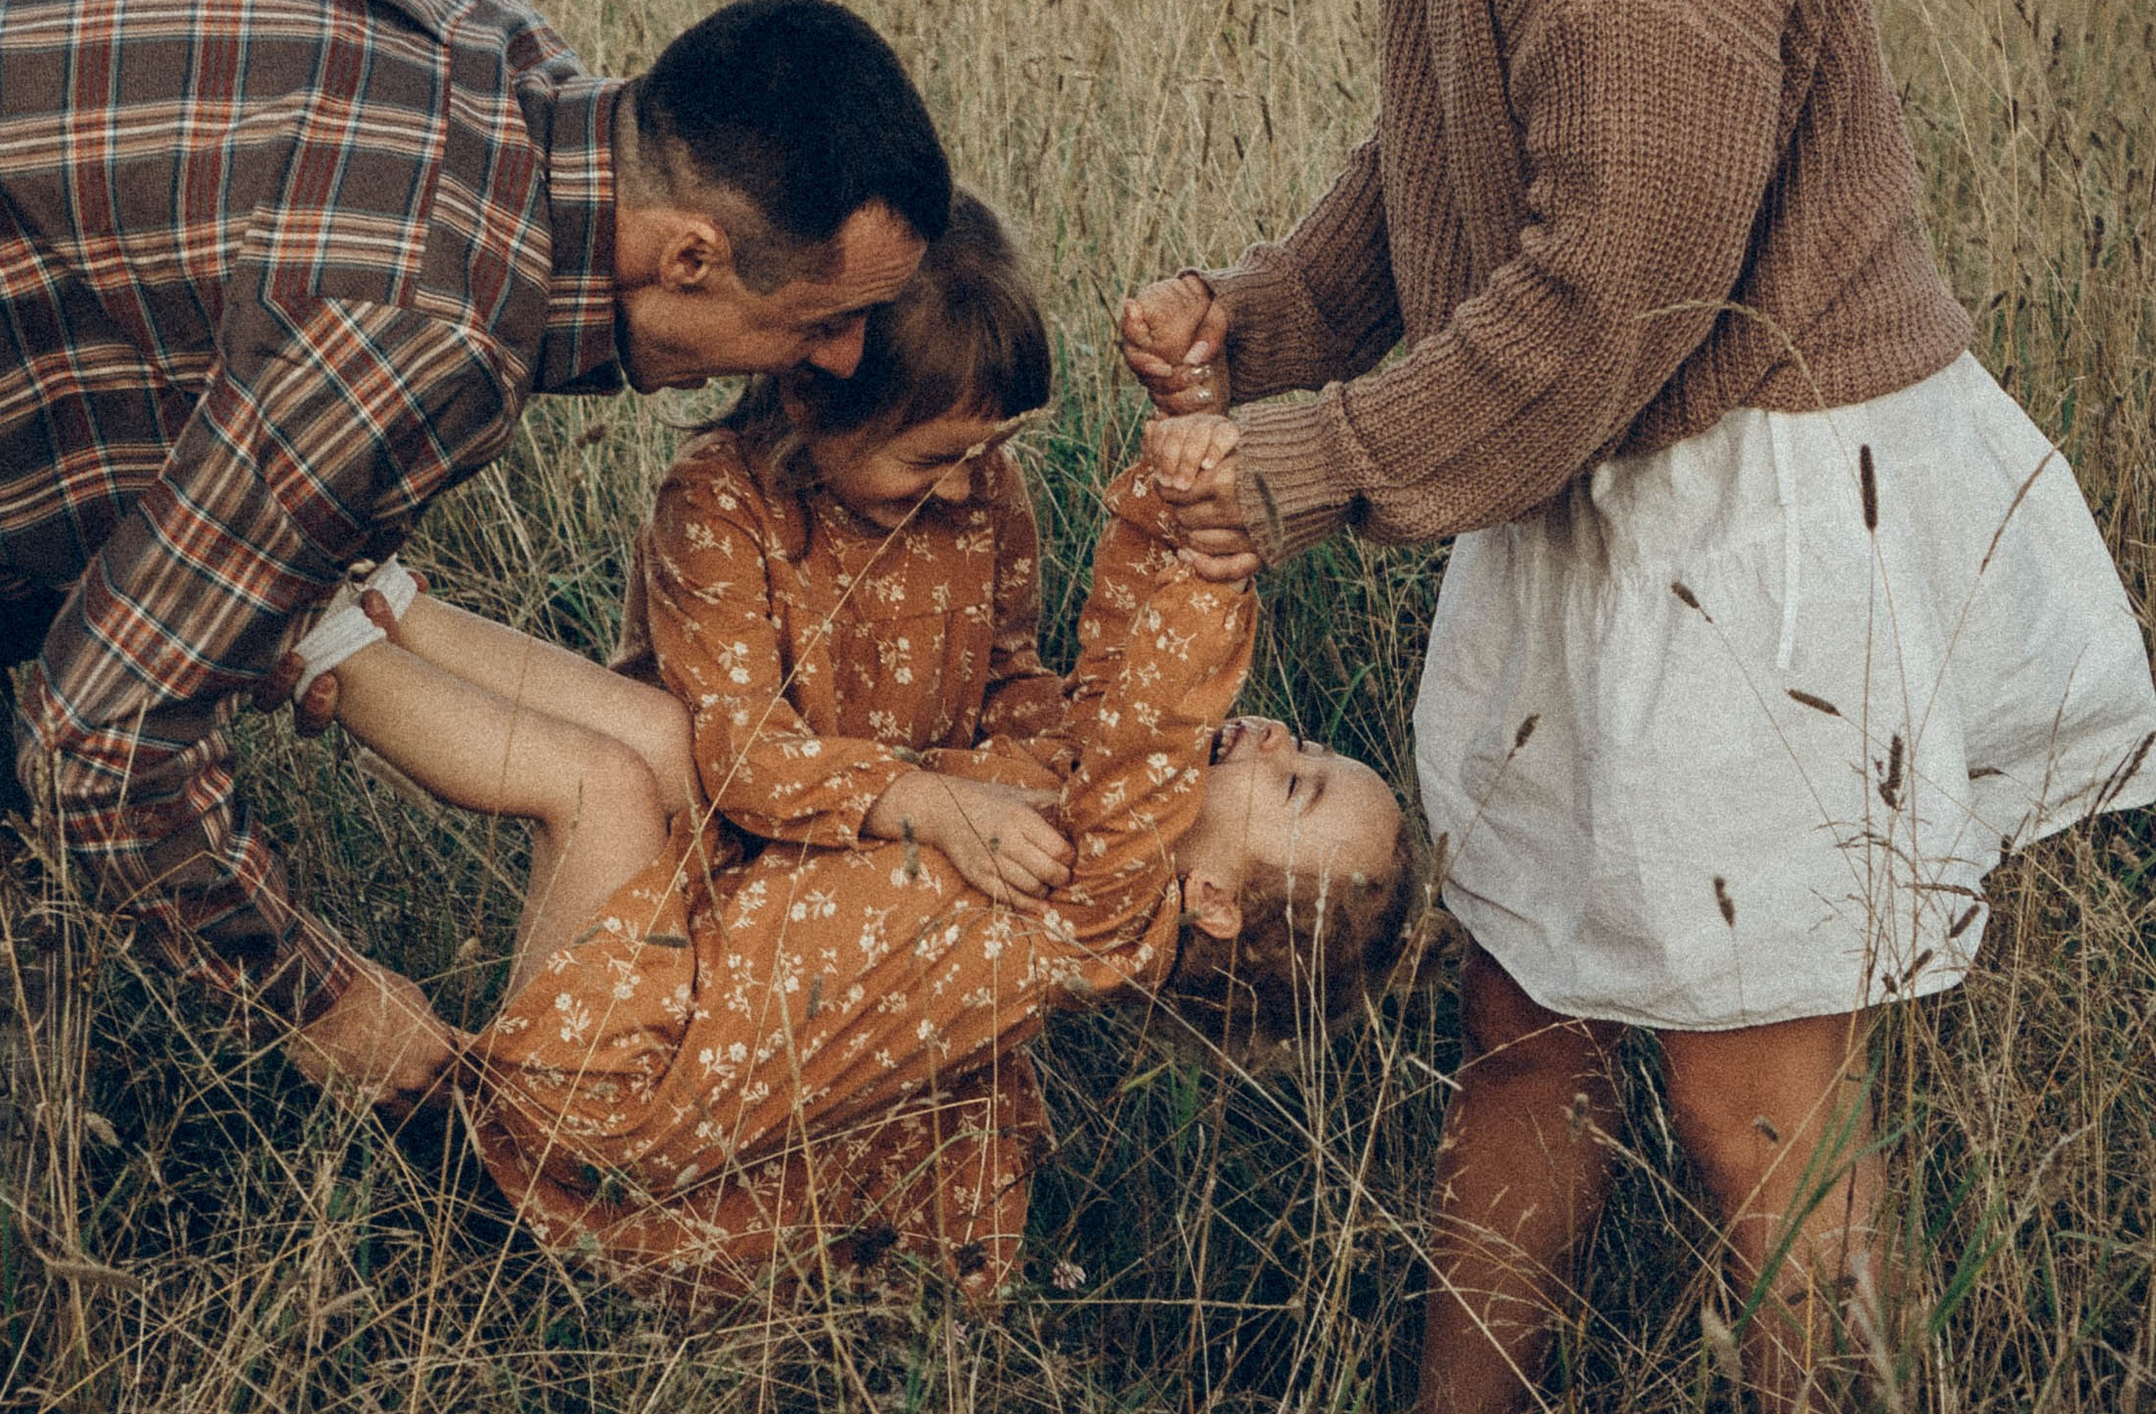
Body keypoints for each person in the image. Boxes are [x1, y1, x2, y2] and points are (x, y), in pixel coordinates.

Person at [1111, 0, 2156, 1414]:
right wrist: (1270, 310)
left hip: (1743, 498)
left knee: (1751, 1113)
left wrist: (1295, 471)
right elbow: (1466, 151)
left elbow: (1612, 301)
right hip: (1583, 493)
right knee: (1525, 1025)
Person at [0, 0, 951, 1409]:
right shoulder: (425, 325)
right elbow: (99, 745)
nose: (831, 365)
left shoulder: (522, 86)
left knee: (13, 910)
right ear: (688, 251)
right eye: (819, 321)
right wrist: (331, 1007)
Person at [285, 439, 1408, 1305]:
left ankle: (299, 641)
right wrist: (1170, 479)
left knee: (601, 791)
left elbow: (1157, 711)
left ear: (1208, 903)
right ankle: (388, 604)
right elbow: (1119, 673)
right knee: (675, 746)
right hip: (687, 979)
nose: (1274, 741)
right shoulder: (1082, 803)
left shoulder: (1109, 897)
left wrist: (1213, 555)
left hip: (608, 1097)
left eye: (1296, 786)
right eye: (1307, 744)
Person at [613, 186, 1074, 901]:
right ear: (808, 396)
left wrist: (1083, 757)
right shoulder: (719, 503)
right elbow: (746, 756)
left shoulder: (984, 483)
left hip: (918, 838)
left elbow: (1007, 680)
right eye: (927, 463)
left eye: (987, 453)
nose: (962, 490)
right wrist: (933, 805)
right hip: (734, 859)